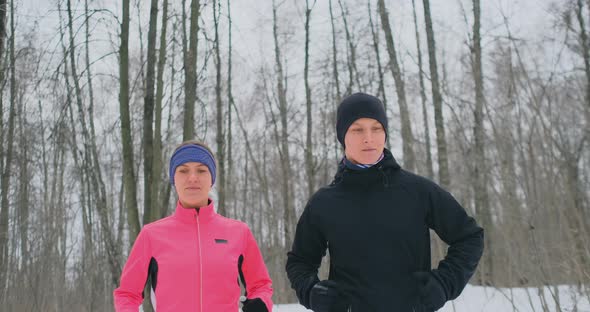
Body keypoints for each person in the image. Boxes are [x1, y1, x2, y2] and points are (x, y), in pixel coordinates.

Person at [286, 93, 484, 312]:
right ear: (343, 136)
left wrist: (444, 283)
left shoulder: (417, 191)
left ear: (385, 134)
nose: (368, 138)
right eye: (357, 129)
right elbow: (299, 262)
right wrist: (312, 292)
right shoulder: (324, 203)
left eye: (376, 128)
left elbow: (470, 237)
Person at [114, 140, 273, 312]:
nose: (192, 178)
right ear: (173, 178)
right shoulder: (151, 235)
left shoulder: (239, 233)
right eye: (183, 170)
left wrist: (261, 303)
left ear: (211, 178)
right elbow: (127, 294)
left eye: (201, 170)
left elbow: (261, 285)